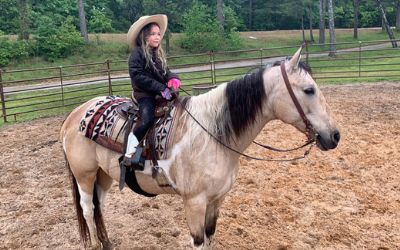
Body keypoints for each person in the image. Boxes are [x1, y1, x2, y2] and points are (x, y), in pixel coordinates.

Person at [123, 14, 181, 168]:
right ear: (144, 36)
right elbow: (138, 76)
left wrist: (172, 78)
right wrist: (160, 88)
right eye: (153, 34)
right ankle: (129, 152)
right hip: (145, 94)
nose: (157, 37)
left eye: (158, 34)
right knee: (147, 118)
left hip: (160, 92)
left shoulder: (158, 54)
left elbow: (166, 71)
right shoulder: (137, 54)